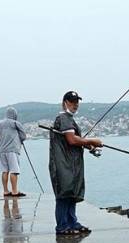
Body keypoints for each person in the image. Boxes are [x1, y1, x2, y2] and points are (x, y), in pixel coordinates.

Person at [48, 91, 102, 235]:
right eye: (72, 102)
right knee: (64, 195)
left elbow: (74, 140)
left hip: (71, 164)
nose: (75, 105)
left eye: (77, 102)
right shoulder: (64, 118)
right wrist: (92, 141)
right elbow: (72, 139)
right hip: (63, 165)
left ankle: (72, 222)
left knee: (71, 194)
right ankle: (62, 226)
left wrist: (87, 146)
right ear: (65, 102)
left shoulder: (69, 120)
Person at [0, 107, 27, 197]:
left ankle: (5, 191)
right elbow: (23, 136)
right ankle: (14, 191)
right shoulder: (16, 123)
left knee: (4, 171)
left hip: (2, 150)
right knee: (14, 171)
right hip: (12, 150)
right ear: (15, 115)